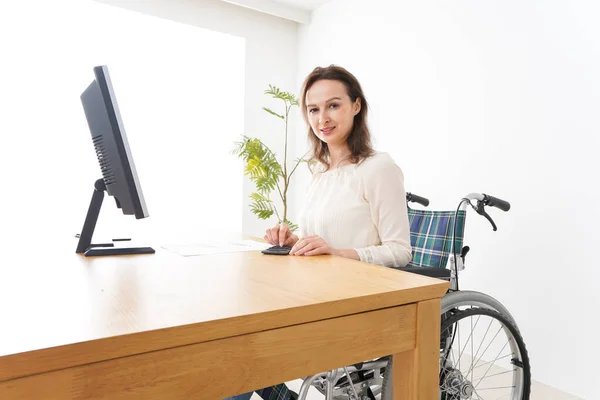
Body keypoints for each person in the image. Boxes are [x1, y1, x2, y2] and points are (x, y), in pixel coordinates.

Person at [224, 65, 412, 400]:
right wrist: (294, 240)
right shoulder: (319, 172)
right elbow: (319, 241)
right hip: (315, 297)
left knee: (240, 352)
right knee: (231, 342)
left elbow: (400, 251)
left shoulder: (379, 168)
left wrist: (338, 252)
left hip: (355, 305)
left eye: (333, 105)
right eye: (313, 109)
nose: (322, 117)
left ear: (356, 106)